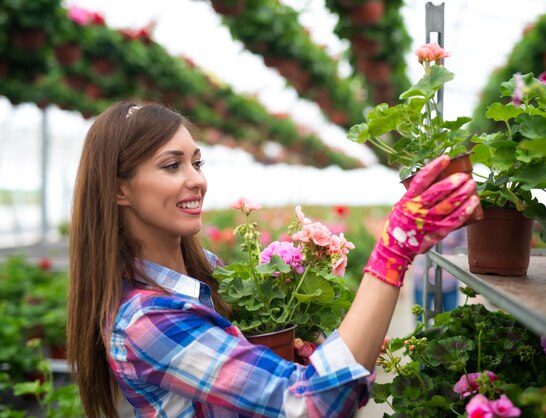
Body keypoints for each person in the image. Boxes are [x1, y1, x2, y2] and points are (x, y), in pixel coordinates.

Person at [66, 101, 479, 418]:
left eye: (196, 161)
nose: (197, 180)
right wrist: (394, 249)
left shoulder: (204, 272)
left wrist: (288, 358)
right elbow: (310, 405)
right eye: (172, 166)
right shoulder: (147, 321)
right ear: (120, 190)